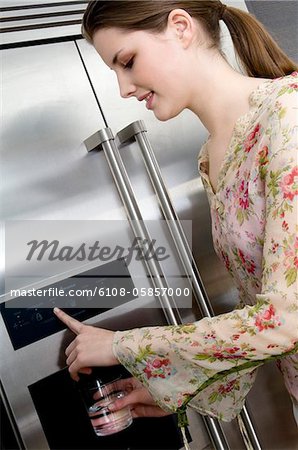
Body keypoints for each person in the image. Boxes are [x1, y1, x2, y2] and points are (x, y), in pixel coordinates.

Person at [54, 0, 298, 433]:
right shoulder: (212, 156)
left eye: (127, 62)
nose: (124, 89)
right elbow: (256, 308)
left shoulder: (288, 118)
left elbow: (286, 320)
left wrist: (124, 345)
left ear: (181, 27)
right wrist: (177, 386)